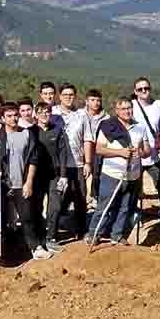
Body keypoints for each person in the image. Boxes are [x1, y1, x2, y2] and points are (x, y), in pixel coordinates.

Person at [87, 97, 152, 246]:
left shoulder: (140, 127)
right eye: (123, 109)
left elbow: (147, 150)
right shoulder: (108, 126)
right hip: (111, 174)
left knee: (125, 207)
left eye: (129, 108)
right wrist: (120, 152)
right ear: (117, 111)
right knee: (105, 206)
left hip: (132, 175)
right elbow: (99, 149)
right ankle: (94, 233)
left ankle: (117, 234)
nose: (127, 111)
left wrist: (141, 152)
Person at [0, 102, 51, 260]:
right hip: (3, 185)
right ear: (2, 118)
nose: (13, 118)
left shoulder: (26, 134)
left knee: (27, 216)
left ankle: (36, 247)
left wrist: (29, 182)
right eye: (9, 116)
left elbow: (33, 160)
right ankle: (6, 252)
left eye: (15, 115)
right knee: (3, 219)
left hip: (21, 183)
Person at [131, 78, 160, 226]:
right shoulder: (131, 106)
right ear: (135, 91)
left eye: (146, 88)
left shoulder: (158, 105)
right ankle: (133, 214)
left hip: (155, 156)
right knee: (133, 187)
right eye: (140, 89)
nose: (144, 91)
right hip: (136, 155)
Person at [34, 102, 70, 252]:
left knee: (55, 206)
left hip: (55, 176)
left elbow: (63, 153)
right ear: (36, 115)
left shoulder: (57, 130)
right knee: (37, 207)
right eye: (41, 112)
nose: (44, 114)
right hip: (37, 176)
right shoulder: (31, 131)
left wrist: (63, 175)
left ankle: (51, 237)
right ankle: (37, 238)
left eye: (47, 112)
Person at [54, 85, 88, 240]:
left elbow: (87, 139)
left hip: (78, 163)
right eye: (65, 94)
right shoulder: (52, 112)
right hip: (57, 165)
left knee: (80, 196)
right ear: (59, 96)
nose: (68, 97)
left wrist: (88, 162)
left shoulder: (81, 114)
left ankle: (81, 230)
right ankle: (53, 230)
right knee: (57, 197)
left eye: (71, 94)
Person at [81, 89, 108, 208]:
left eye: (98, 100)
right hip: (81, 149)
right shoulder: (80, 114)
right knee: (81, 175)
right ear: (86, 101)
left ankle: (94, 197)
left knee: (96, 174)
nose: (96, 103)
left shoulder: (106, 117)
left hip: (97, 150)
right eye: (92, 100)